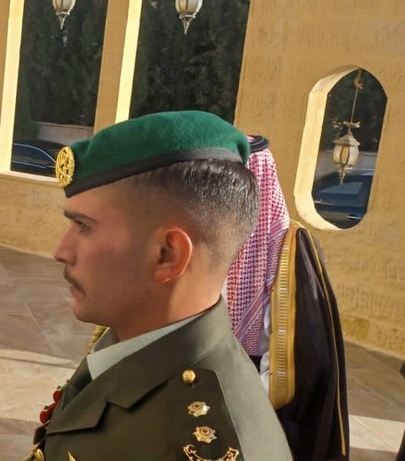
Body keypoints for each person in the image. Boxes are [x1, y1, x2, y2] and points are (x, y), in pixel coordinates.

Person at [28, 111, 292, 460]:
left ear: (168, 255)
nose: (61, 251)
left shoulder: (199, 445)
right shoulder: (133, 340)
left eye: (84, 227)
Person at [226, 136, 350, 460]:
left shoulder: (291, 247)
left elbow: (298, 354)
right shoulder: (213, 238)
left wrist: (245, 407)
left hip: (263, 399)